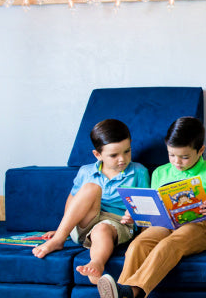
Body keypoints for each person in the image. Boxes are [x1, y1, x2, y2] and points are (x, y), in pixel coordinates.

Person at [97, 116, 206, 298]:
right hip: (164, 223)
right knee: (138, 244)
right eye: (171, 155)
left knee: (170, 245)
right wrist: (135, 215)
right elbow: (152, 210)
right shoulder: (160, 172)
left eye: (185, 156)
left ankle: (128, 293)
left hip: (199, 226)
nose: (177, 162)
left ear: (201, 150)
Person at [33, 118, 149, 283]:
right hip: (85, 221)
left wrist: (137, 222)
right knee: (91, 188)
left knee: (102, 229)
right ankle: (58, 240)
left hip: (117, 224)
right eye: (114, 155)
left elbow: (144, 205)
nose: (122, 159)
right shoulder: (86, 171)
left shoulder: (138, 172)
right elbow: (73, 200)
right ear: (98, 155)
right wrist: (61, 230)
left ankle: (96, 264)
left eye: (127, 151)